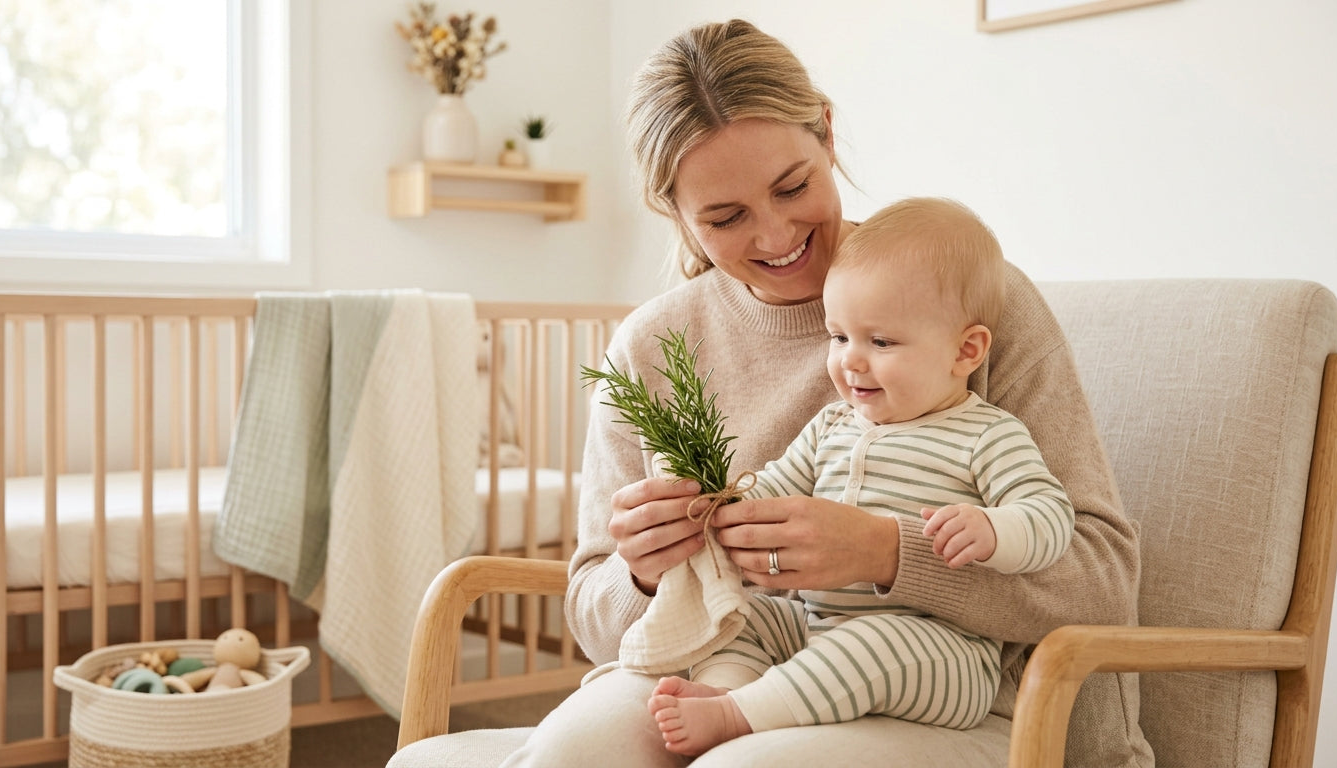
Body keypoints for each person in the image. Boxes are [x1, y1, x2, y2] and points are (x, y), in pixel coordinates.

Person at [416, 18, 1150, 768]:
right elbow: (594, 617)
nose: (773, 236)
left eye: (793, 186)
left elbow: (1101, 581)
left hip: (932, 693)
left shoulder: (965, 306)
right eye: (725, 218)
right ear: (675, 214)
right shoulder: (649, 346)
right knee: (570, 757)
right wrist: (642, 570)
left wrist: (888, 554)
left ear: (827, 133)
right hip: (713, 665)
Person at [647, 197, 1076, 755]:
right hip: (817, 626)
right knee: (748, 617)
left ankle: (740, 714)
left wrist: (995, 531)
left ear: (965, 351)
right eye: (838, 337)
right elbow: (774, 486)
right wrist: (714, 501)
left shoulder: (987, 434)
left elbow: (1050, 515)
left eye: (881, 342)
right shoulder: (832, 424)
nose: (851, 360)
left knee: (876, 641)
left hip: (942, 652)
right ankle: (725, 689)